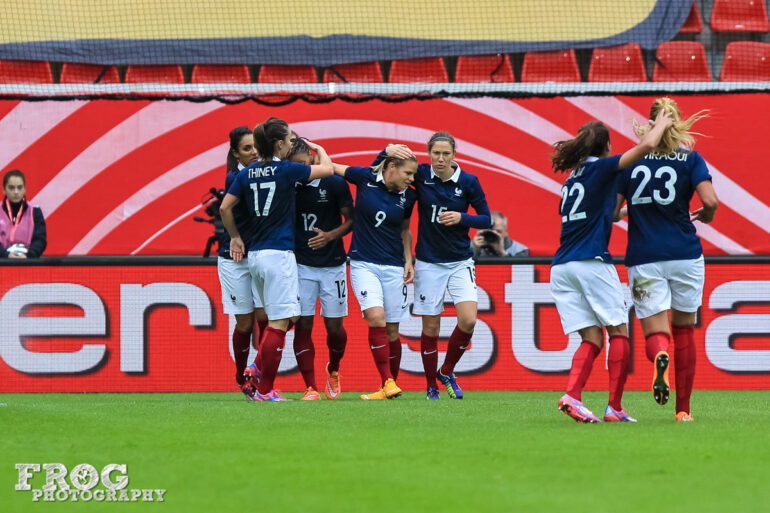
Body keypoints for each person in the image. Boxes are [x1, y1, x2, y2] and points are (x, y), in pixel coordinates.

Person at [550, 108, 673, 423]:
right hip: (591, 262)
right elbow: (646, 148)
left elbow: (606, 213)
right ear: (605, 148)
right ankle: (614, 407)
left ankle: (573, 397)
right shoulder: (603, 168)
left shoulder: (572, 179)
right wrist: (661, 124)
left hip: (562, 267)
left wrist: (624, 213)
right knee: (619, 332)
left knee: (591, 338)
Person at [615, 97, 717, 422]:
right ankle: (683, 411)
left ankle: (660, 354)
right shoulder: (691, 158)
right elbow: (711, 200)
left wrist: (631, 210)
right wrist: (708, 214)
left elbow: (612, 210)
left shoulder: (632, 162)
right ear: (678, 122)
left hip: (644, 257)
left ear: (650, 122)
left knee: (654, 332)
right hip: (685, 255)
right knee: (685, 330)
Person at [220, 117, 333, 401]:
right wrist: (316, 147)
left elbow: (224, 207)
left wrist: (234, 236)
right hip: (279, 254)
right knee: (280, 323)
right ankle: (265, 388)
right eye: (289, 141)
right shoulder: (285, 170)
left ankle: (257, 372)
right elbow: (328, 169)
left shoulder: (245, 174)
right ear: (280, 144)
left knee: (288, 316)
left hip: (255, 256)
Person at [377, 132, 491, 400]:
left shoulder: (468, 181)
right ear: (429, 153)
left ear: (454, 154)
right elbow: (389, 173)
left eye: (446, 153)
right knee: (430, 329)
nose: (440, 159)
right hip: (428, 263)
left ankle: (446, 370)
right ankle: (431, 385)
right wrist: (387, 151)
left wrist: (462, 218)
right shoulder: (421, 174)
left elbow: (486, 219)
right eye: (436, 153)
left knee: (469, 319)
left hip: (460, 260)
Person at [333, 152, 417, 400]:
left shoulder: (408, 195)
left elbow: (405, 230)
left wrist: (409, 260)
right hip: (363, 263)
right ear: (392, 165)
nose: (411, 180)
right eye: (407, 173)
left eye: (413, 175)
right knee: (376, 317)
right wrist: (314, 148)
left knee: (392, 331)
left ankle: (390, 386)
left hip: (393, 266)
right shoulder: (365, 177)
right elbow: (332, 167)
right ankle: (387, 381)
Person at [289, 136, 354, 401]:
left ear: (313, 159)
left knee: (335, 328)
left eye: (303, 165)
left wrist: (330, 236)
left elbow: (351, 221)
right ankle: (310, 387)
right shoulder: (288, 183)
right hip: (300, 265)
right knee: (303, 324)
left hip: (333, 265)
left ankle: (334, 367)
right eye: (295, 167)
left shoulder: (335, 183)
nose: (301, 172)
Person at [215, 127, 270, 400]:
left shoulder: (267, 172)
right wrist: (235, 237)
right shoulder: (235, 177)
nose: (254, 152)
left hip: (261, 255)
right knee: (246, 324)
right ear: (236, 153)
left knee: (267, 318)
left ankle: (256, 374)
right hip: (234, 258)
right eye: (247, 149)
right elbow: (225, 209)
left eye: (256, 147)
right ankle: (241, 373)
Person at [1, 169, 46, 259]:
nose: (16, 192)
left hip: (27, 262)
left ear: (25, 189)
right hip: (2, 262)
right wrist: (6, 255)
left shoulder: (35, 211)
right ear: (3, 190)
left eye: (19, 187)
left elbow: (40, 240)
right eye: (11, 188)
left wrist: (28, 256)